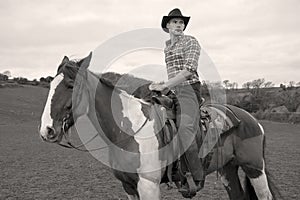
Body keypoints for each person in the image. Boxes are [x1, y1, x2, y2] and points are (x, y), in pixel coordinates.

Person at [149, 8, 205, 195]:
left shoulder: (191, 42)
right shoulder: (167, 47)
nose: (179, 25)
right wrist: (161, 86)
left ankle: (194, 176)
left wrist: (164, 86)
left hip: (189, 90)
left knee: (184, 130)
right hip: (173, 91)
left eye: (181, 22)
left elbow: (188, 70)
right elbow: (173, 74)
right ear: (167, 26)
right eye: (175, 22)